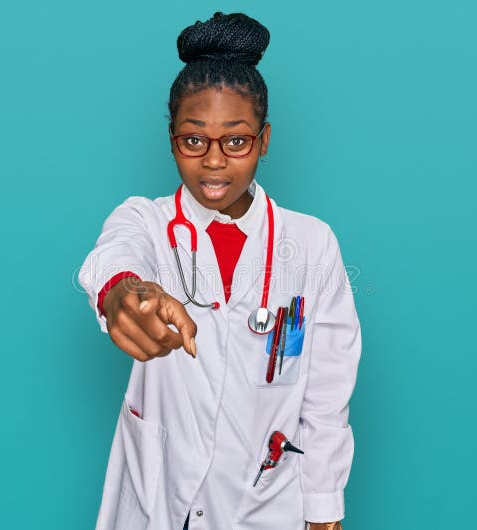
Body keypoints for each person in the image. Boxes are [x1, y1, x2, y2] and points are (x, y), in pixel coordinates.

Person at [78, 12, 361, 530]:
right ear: (172, 139)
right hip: (157, 496)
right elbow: (114, 258)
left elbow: (326, 395)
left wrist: (323, 510)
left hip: (264, 502)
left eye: (236, 141)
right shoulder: (147, 219)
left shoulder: (311, 244)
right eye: (193, 140)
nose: (214, 162)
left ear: (264, 139)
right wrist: (124, 295)